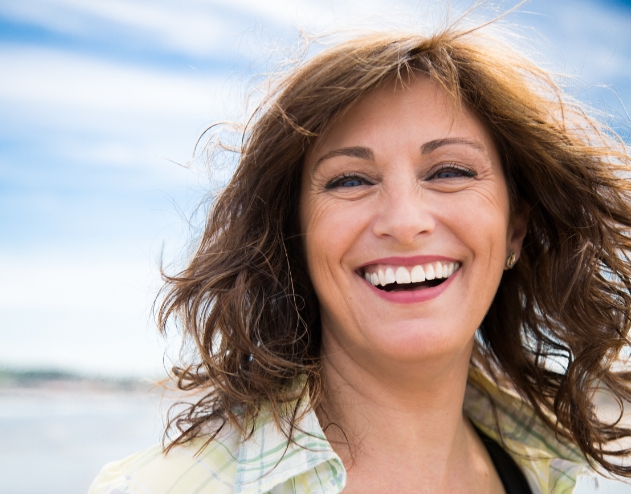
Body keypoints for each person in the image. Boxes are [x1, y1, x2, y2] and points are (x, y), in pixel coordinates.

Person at [89, 16, 631, 494]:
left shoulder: (565, 477)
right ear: (293, 235)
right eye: (350, 180)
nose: (403, 221)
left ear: (515, 231)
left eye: (449, 172)